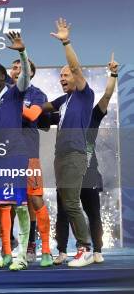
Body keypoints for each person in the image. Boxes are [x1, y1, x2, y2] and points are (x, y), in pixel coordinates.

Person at [54, 54, 118, 265]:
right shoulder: (66, 112)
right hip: (69, 165)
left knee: (92, 212)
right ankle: (62, 250)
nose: (63, 78)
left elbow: (108, 95)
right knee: (65, 210)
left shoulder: (93, 113)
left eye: (66, 75)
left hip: (88, 171)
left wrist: (113, 74)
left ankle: (96, 249)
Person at [41, 18, 95, 267]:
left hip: (74, 154)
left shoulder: (85, 95)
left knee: (72, 203)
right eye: (60, 75)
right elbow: (42, 109)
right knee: (67, 203)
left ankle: (85, 248)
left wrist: (66, 42)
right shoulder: (64, 101)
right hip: (60, 156)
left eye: (66, 74)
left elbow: (76, 68)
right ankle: (75, 249)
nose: (63, 78)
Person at [0, 32, 32, 271]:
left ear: (3, 77)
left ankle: (21, 255)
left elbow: (25, 79)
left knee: (18, 205)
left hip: (13, 155)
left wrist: (22, 52)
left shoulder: (13, 92)